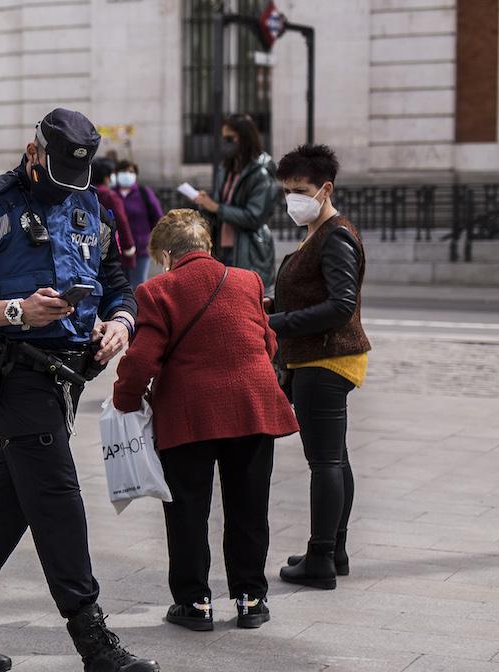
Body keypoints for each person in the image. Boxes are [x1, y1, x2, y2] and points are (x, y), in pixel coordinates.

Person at [0, 108, 160, 672]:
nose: (66, 188)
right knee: (56, 497)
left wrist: (120, 323)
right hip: (14, 373)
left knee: (13, 499)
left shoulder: (92, 206)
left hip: (68, 376)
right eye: (56, 174)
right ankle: (94, 645)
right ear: (35, 154)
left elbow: (115, 281)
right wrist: (14, 311)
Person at [112, 209, 298, 630]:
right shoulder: (247, 281)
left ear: (165, 254)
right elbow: (267, 341)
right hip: (252, 409)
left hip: (190, 416)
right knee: (249, 507)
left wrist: (124, 399)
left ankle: (195, 604)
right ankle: (251, 600)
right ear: (207, 247)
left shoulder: (158, 290)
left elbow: (142, 358)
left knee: (188, 511)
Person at [269, 144, 370, 590]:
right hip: (319, 356)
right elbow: (312, 293)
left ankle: (320, 558)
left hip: (325, 357)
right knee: (336, 459)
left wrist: (275, 321)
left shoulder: (336, 234)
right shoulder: (317, 231)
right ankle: (334, 549)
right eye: (287, 190)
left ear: (325, 189)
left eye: (301, 190)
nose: (292, 198)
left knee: (324, 461)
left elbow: (341, 305)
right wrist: (273, 303)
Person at [191, 114, 277, 289]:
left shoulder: (261, 173)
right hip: (222, 248)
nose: (226, 143)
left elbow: (255, 217)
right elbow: (217, 207)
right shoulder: (226, 169)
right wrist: (205, 204)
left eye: (230, 138)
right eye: (224, 138)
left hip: (249, 251)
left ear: (244, 137)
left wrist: (216, 208)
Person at [114, 160, 164, 288]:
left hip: (140, 249)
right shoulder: (111, 194)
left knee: (138, 285)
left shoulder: (144, 193)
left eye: (130, 172)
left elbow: (158, 217)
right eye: (123, 171)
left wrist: (153, 239)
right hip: (116, 250)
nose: (127, 174)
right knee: (119, 286)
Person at [91, 158, 138, 274]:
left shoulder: (87, 194)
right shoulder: (110, 196)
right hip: (113, 250)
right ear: (107, 177)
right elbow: (122, 222)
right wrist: (128, 246)